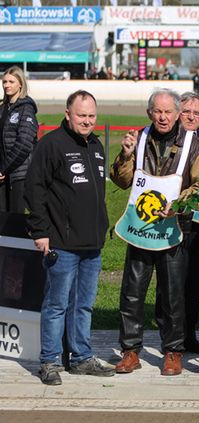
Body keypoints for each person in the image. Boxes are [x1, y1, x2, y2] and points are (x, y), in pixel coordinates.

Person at [110, 88, 199, 376]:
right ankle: (130, 351)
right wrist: (126, 155)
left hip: (174, 230)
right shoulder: (138, 139)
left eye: (169, 112)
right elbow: (121, 180)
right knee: (132, 292)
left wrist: (178, 204)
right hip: (140, 229)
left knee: (173, 294)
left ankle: (173, 352)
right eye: (158, 111)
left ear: (178, 114)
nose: (163, 117)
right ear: (149, 113)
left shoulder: (194, 145)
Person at [24, 90, 114, 385]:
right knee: (56, 305)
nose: (87, 121)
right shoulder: (51, 145)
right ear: (67, 114)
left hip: (91, 243)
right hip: (61, 243)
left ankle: (81, 357)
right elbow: (34, 190)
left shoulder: (97, 145)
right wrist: (40, 231)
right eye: (81, 116)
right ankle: (49, 361)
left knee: (83, 305)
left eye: (91, 116)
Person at [153, 91, 199, 354]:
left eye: (196, 113)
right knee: (169, 282)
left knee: (193, 281)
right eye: (186, 111)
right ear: (178, 114)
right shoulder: (169, 142)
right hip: (170, 221)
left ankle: (189, 334)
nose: (191, 117)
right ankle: (169, 334)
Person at [0, 66, 38, 213]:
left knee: (15, 221)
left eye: (11, 81)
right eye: (4, 82)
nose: (7, 85)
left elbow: (23, 144)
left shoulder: (26, 109)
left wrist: (4, 169)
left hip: (19, 174)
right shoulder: (3, 108)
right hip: (3, 174)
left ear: (20, 84)